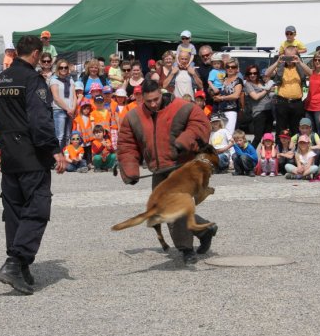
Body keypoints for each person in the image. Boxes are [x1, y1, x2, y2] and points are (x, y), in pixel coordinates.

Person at [0, 35, 66, 295]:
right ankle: (14, 263)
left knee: (14, 212)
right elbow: (39, 120)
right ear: (35, 53)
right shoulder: (33, 80)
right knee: (37, 209)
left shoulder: (0, 79)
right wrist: (54, 150)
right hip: (31, 156)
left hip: (9, 156)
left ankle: (21, 267)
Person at [116, 79, 215, 265]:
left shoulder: (184, 107)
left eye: (156, 99)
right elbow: (127, 144)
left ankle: (186, 250)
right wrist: (130, 169)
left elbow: (200, 125)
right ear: (141, 98)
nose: (153, 104)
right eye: (149, 101)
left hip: (182, 168)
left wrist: (185, 141)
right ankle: (204, 230)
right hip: (158, 169)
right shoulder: (134, 117)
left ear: (161, 93)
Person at [265, 45, 311, 135]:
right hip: (282, 102)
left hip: (297, 103)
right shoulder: (280, 67)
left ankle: (296, 148)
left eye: (292, 56)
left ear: (296, 55)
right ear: (284, 55)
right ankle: (281, 148)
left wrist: (299, 62)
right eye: (287, 56)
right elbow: (267, 73)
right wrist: (277, 62)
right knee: (281, 129)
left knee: (296, 130)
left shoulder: (300, 67)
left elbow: (310, 73)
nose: (289, 59)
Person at [243, 64, 274, 148]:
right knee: (258, 137)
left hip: (269, 111)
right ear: (247, 74)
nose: (252, 75)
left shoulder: (262, 81)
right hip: (259, 113)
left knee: (268, 137)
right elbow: (255, 97)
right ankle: (250, 155)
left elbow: (271, 75)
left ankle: (267, 157)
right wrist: (267, 90)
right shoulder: (248, 84)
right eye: (250, 73)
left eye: (255, 73)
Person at [50, 59, 77, 150]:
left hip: (70, 111)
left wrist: (73, 108)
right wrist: (68, 109)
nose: (63, 69)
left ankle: (66, 157)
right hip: (59, 110)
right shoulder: (54, 80)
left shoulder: (70, 79)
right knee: (60, 136)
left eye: (65, 67)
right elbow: (56, 98)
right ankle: (58, 159)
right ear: (58, 68)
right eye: (61, 67)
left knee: (68, 136)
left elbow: (74, 96)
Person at [305, 50, 320, 139]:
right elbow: (303, 68)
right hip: (309, 105)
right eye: (315, 59)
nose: (317, 61)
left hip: (319, 106)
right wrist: (298, 60)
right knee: (309, 131)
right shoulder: (312, 72)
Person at [72, 99, 94, 164]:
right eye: (84, 109)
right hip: (82, 138)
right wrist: (79, 135)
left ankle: (89, 162)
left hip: (89, 138)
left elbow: (92, 126)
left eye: (88, 109)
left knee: (89, 150)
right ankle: (83, 163)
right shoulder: (78, 118)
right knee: (82, 150)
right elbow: (78, 127)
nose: (86, 110)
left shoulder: (91, 117)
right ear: (81, 109)